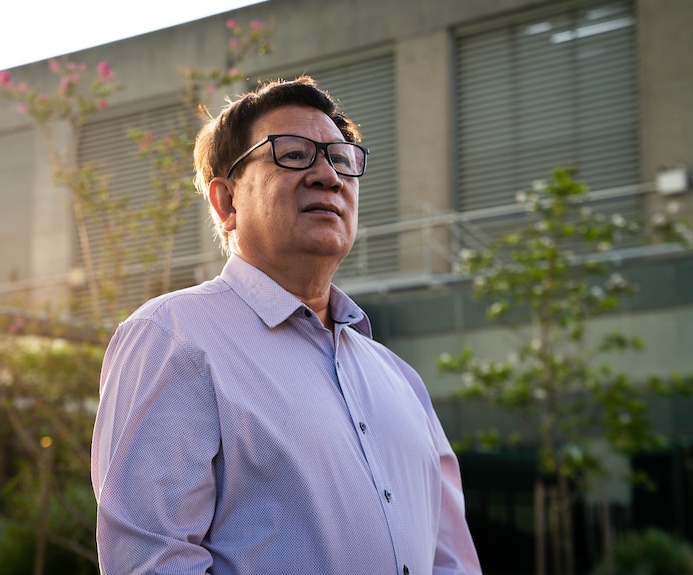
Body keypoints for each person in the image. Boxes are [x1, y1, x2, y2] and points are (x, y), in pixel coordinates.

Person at [91, 75, 482, 575]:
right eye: (293, 154)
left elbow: (450, 562)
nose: (328, 176)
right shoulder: (173, 337)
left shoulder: (401, 379)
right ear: (226, 202)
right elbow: (150, 562)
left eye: (340, 159)